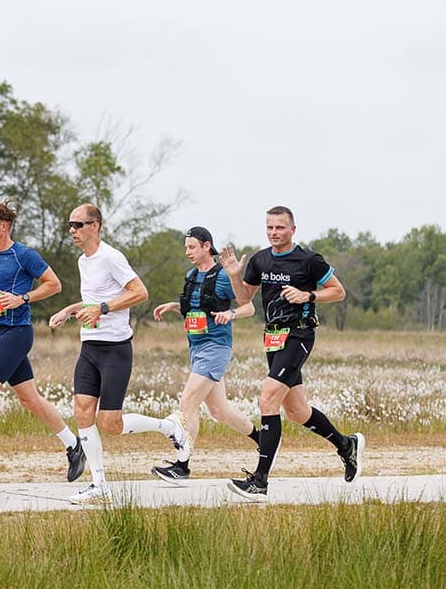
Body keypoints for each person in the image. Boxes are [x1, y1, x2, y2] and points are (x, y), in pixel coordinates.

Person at [227, 206, 365, 502]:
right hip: (273, 338)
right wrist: (234, 275)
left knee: (267, 399)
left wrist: (308, 295)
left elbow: (338, 291)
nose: (274, 233)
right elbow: (244, 300)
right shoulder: (260, 259)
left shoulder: (308, 260)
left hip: (299, 334)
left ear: (292, 229)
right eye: (269, 228)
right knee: (297, 411)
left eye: (279, 227)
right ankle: (346, 445)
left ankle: (260, 481)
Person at [0, 198, 85, 484]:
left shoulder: (23, 255)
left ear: (4, 227)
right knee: (30, 400)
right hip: (1, 331)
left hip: (18, 333)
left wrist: (23, 298)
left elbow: (54, 284)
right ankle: (73, 445)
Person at [48, 204, 151, 504]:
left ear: (95, 226)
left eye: (78, 225)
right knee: (82, 411)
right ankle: (98, 483)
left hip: (115, 348)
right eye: (70, 225)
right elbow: (90, 300)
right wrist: (69, 310)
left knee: (110, 424)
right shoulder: (83, 261)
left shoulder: (111, 257)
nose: (72, 231)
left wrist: (103, 308)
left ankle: (169, 427)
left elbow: (140, 292)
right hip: (89, 345)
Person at [150, 226, 260, 485]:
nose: (187, 251)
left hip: (216, 347)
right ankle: (263, 439)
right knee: (220, 411)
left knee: (188, 402)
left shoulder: (222, 276)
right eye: (186, 247)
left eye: (192, 247)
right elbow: (197, 309)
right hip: (196, 348)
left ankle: (182, 466)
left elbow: (248, 307)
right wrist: (175, 306)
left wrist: (231, 313)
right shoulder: (191, 275)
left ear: (206, 246)